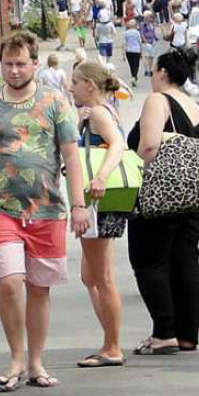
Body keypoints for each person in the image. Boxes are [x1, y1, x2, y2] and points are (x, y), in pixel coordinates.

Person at [0, 30, 88, 390]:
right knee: (9, 282)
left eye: (21, 64)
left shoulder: (54, 101)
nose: (15, 70)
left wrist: (79, 204)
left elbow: (70, 155)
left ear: (35, 64)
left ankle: (36, 361)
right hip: (1, 207)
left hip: (48, 208)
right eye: (8, 63)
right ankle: (15, 356)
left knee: (39, 288)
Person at [126, 49, 199, 355]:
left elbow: (149, 147)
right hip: (194, 198)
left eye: (154, 70)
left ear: (163, 73)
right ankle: (186, 335)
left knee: (148, 261)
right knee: (186, 261)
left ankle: (164, 333)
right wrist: (194, 176)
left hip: (158, 196)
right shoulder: (195, 106)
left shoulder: (158, 101)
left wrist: (133, 177)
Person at [71, 62, 129, 368]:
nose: (72, 87)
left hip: (99, 200)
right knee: (91, 275)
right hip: (103, 199)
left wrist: (101, 177)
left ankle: (112, 345)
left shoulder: (98, 113)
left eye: (76, 82)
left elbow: (118, 145)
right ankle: (109, 340)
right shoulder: (103, 110)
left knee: (102, 277)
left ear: (90, 85)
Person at [139, 11, 159, 79]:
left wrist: (156, 39)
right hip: (146, 42)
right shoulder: (143, 24)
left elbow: (153, 32)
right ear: (146, 17)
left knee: (152, 56)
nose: (151, 18)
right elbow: (141, 34)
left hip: (153, 41)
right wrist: (145, 42)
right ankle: (146, 70)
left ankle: (150, 69)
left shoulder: (152, 24)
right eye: (150, 16)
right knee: (146, 56)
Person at [123, 20, 142, 86]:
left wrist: (123, 53)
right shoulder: (137, 33)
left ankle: (133, 76)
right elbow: (140, 42)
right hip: (136, 50)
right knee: (136, 64)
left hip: (129, 50)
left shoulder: (126, 33)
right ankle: (134, 76)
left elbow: (124, 43)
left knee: (131, 65)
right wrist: (141, 51)